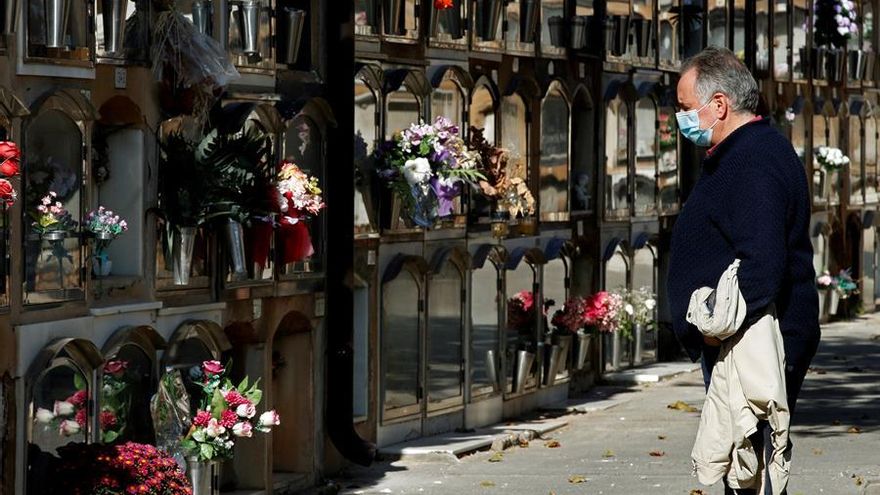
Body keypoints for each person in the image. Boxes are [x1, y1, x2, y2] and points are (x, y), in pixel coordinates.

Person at [666, 47, 820, 494]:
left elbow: (763, 263)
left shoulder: (754, 160)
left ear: (718, 105)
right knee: (743, 470)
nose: (680, 117)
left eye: (683, 106)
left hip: (753, 345)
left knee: (753, 469)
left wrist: (714, 329)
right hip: (737, 342)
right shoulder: (741, 151)